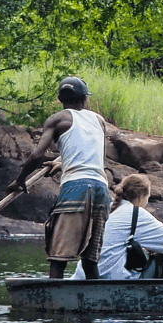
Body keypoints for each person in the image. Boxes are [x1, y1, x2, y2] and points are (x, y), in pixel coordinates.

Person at [14, 76, 111, 280]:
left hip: (76, 188)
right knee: (90, 259)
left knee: (58, 257)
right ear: (85, 99)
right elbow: (96, 161)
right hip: (101, 188)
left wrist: (21, 178)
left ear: (60, 99)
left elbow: (37, 155)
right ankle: (95, 302)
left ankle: (52, 302)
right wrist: (62, 164)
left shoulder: (58, 119)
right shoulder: (99, 120)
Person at [74, 174, 163, 281]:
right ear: (142, 196)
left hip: (83, 276)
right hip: (111, 280)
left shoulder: (111, 207)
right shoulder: (136, 212)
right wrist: (154, 246)